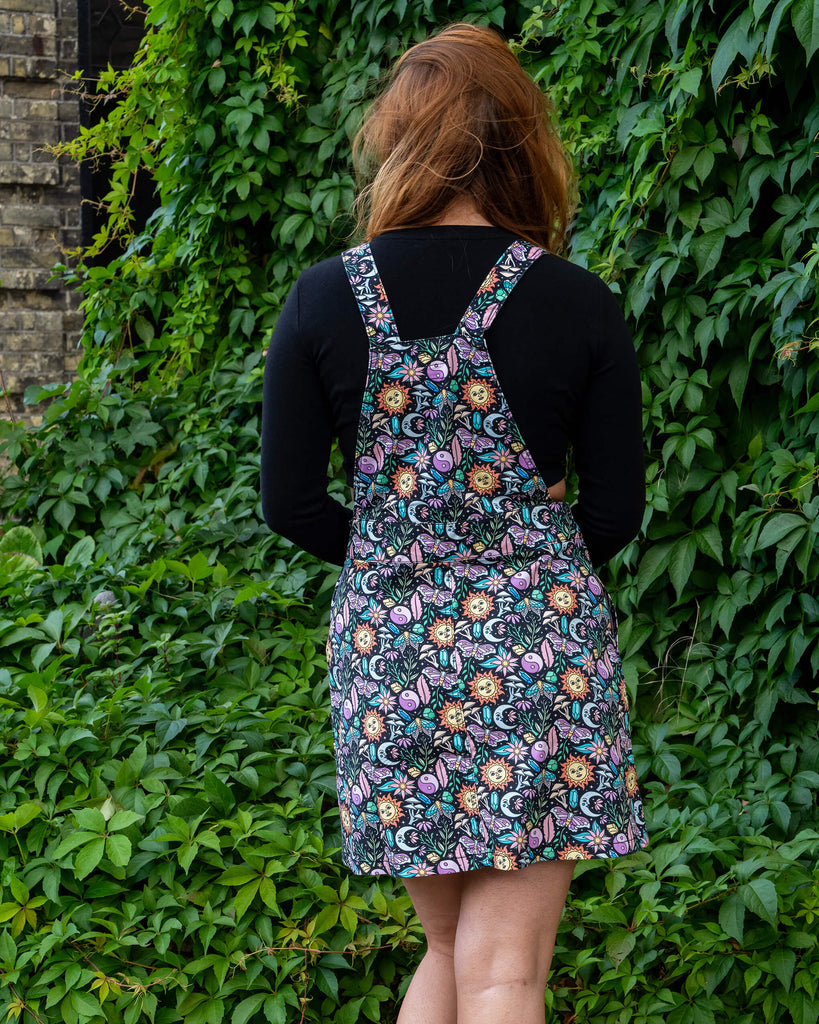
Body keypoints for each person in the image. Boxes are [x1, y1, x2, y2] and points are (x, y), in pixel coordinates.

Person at [261, 21, 650, 1024]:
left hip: (392, 652)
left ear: (397, 140)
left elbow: (291, 503)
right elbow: (615, 509)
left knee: (447, 946)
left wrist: (410, 560)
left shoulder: (319, 300)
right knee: (505, 969)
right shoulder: (580, 303)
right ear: (523, 144)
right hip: (536, 652)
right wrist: (516, 569)